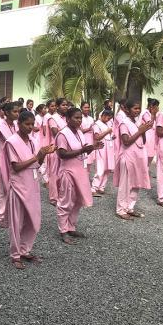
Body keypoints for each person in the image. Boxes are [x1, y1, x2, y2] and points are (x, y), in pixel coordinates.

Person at [5, 111, 55, 269]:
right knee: (17, 221)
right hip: (18, 184)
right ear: (18, 124)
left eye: (32, 124)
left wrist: (43, 155)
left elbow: (37, 164)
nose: (30, 127)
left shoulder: (33, 141)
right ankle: (15, 254)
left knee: (32, 219)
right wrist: (36, 156)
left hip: (32, 183)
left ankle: (25, 249)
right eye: (27, 124)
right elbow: (16, 166)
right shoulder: (11, 142)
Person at [55, 107, 103, 245]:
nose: (79, 120)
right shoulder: (63, 134)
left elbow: (82, 153)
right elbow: (62, 154)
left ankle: (71, 227)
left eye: (80, 118)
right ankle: (63, 230)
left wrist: (92, 147)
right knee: (66, 201)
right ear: (68, 119)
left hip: (80, 171)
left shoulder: (79, 133)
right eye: (76, 118)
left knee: (77, 201)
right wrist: (83, 149)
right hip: (68, 172)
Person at [114, 100, 152, 220]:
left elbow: (143, 141)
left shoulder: (137, 122)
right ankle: (121, 209)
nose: (138, 111)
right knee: (125, 184)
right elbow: (126, 141)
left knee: (136, 183)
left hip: (139, 155)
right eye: (135, 108)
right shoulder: (124, 123)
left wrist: (143, 131)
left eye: (139, 108)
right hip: (128, 156)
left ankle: (130, 207)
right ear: (127, 110)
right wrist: (140, 131)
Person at [0, 102, 19, 228]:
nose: (17, 114)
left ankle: (9, 212)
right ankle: (0, 216)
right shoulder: (0, 126)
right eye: (14, 111)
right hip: (2, 158)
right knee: (2, 186)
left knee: (11, 184)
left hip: (12, 158)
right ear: (6, 113)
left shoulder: (16, 126)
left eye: (18, 111)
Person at [47, 98, 69, 205]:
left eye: (66, 105)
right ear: (57, 106)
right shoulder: (53, 118)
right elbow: (55, 133)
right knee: (54, 173)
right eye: (63, 105)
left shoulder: (67, 118)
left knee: (62, 172)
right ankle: (53, 197)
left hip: (65, 148)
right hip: (55, 148)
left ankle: (61, 195)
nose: (65, 107)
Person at [91, 110, 115, 195]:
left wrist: (112, 136)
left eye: (110, 118)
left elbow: (110, 135)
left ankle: (102, 187)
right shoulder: (96, 124)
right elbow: (97, 137)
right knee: (100, 168)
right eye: (108, 117)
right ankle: (94, 188)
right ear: (103, 115)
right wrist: (107, 132)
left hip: (109, 147)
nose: (109, 120)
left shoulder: (108, 124)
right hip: (101, 147)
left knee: (108, 168)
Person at [140, 98, 159, 166]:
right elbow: (150, 124)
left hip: (152, 137)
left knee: (150, 156)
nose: (158, 108)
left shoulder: (151, 113)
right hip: (147, 137)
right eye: (156, 106)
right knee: (146, 156)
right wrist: (154, 113)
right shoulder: (145, 113)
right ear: (151, 106)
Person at [80, 102, 95, 168]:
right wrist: (89, 129)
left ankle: (87, 177)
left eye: (88, 107)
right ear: (81, 108)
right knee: (83, 162)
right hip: (83, 142)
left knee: (89, 162)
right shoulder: (79, 118)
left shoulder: (91, 118)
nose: (87, 109)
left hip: (91, 141)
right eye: (85, 107)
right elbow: (79, 131)